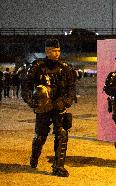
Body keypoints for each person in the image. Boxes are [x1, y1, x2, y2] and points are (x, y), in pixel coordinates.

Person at [21, 39, 76, 177]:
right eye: (54, 51)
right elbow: (26, 86)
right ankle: (34, 158)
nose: (57, 53)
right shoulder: (37, 66)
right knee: (40, 136)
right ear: (47, 51)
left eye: (58, 51)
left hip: (59, 105)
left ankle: (58, 166)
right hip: (44, 106)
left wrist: (66, 102)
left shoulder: (65, 68)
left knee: (62, 134)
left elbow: (71, 89)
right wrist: (31, 101)